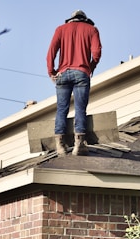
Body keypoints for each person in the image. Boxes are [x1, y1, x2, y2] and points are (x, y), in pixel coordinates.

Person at [46, 10, 102, 156]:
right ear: (85, 19)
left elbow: (51, 51)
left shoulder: (60, 29)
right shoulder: (92, 30)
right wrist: (90, 68)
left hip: (63, 74)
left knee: (61, 109)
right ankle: (79, 144)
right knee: (80, 108)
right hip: (82, 73)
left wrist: (51, 72)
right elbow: (96, 53)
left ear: (71, 19)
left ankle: (60, 145)